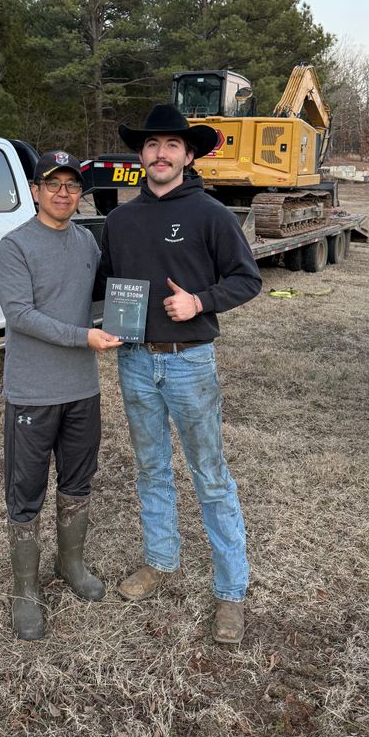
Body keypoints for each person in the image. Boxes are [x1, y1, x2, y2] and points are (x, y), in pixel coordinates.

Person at [97, 105, 262, 644]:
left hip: (189, 361)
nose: (160, 153)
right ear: (140, 155)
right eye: (151, 145)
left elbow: (247, 278)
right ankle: (160, 560)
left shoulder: (211, 215)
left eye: (171, 145)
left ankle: (230, 590)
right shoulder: (119, 221)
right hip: (135, 361)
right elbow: (101, 281)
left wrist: (200, 303)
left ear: (188, 156)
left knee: (209, 476)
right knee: (150, 468)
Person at [0, 150, 121, 641]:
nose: (64, 193)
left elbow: (99, 294)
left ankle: (72, 564)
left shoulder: (87, 240)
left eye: (72, 185)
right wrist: (82, 337)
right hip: (32, 391)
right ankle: (25, 589)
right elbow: (20, 314)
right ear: (35, 191)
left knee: (78, 480)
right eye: (54, 184)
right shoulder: (16, 245)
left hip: (81, 388)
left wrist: (133, 308)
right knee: (25, 492)